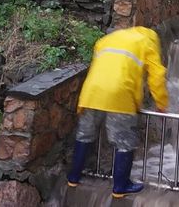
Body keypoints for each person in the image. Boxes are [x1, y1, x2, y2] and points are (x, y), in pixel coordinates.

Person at [66, 26, 168, 198]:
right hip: (120, 93)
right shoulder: (148, 41)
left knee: (84, 134)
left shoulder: (107, 39)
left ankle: (73, 177)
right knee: (124, 141)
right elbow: (156, 75)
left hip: (92, 92)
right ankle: (120, 186)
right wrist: (161, 102)